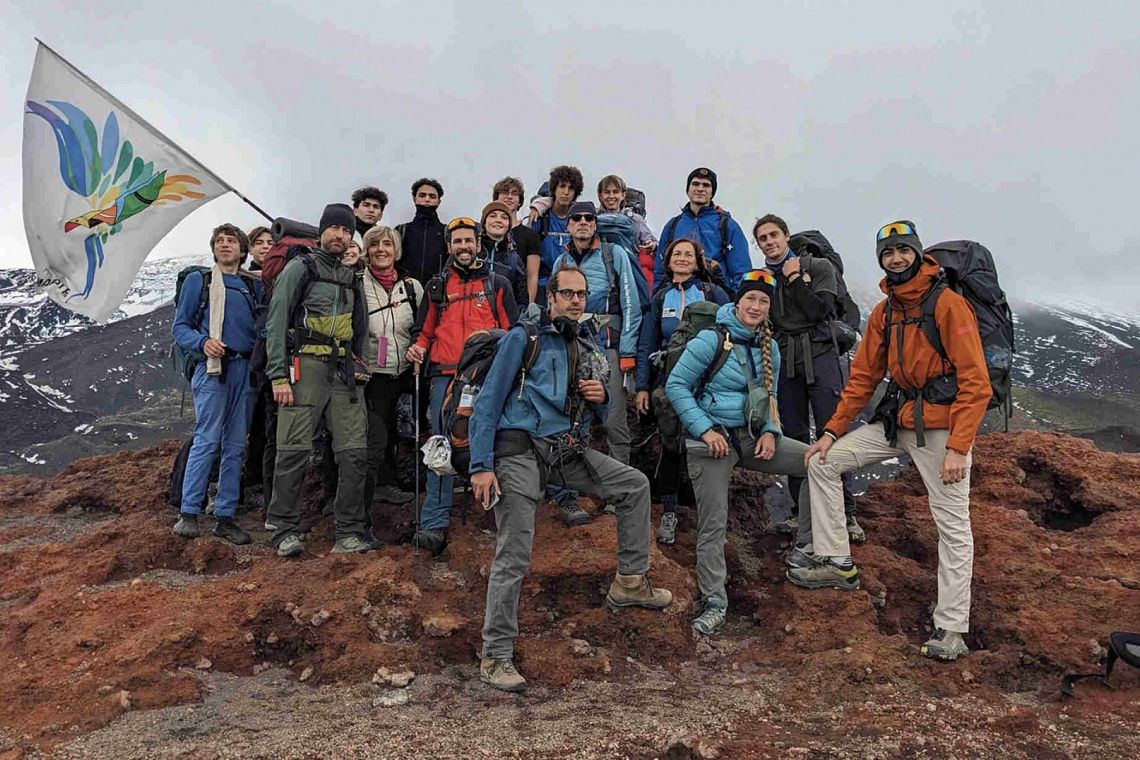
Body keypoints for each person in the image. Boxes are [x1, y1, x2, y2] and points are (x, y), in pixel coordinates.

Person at [788, 221, 991, 663]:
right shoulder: (885, 311)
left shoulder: (948, 305)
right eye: (888, 253)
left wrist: (959, 447)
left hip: (940, 427)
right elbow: (863, 377)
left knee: (953, 526)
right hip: (896, 420)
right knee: (823, 462)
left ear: (917, 254)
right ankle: (836, 561)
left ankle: (951, 627)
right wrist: (831, 432)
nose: (896, 259)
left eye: (903, 250)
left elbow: (976, 382)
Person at [470, 264, 673, 693]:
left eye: (582, 294)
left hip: (565, 450)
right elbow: (487, 403)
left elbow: (601, 416)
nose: (576, 301)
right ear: (551, 297)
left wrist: (600, 401)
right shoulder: (521, 339)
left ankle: (630, 582)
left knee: (633, 485)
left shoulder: (588, 343)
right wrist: (481, 466)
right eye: (567, 293)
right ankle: (495, 654)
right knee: (515, 553)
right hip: (518, 451)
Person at [666, 269, 814, 634]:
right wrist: (704, 429)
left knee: (816, 462)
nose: (756, 305)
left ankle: (809, 550)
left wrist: (770, 430)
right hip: (709, 441)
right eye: (751, 298)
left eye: (763, 301)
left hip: (749, 436)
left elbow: (771, 397)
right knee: (714, 523)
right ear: (738, 301)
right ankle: (715, 602)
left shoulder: (770, 347)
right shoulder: (710, 339)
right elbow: (676, 385)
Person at [406, 217, 519, 555]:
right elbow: (424, 331)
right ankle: (434, 522)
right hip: (444, 374)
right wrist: (418, 347)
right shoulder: (437, 287)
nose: (463, 247)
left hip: (486, 377)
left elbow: (513, 333)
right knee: (440, 447)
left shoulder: (498, 282)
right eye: (457, 242)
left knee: (494, 440)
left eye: (468, 241)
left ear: (478, 243)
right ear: (449, 246)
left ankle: (499, 516)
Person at [264, 203, 372, 557]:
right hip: (304, 367)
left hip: (343, 371)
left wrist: (359, 362)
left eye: (347, 231)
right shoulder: (300, 268)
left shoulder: (350, 276)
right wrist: (278, 375)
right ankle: (282, 527)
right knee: (293, 449)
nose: (340, 236)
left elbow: (360, 327)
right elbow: (277, 322)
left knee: (354, 452)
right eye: (335, 229)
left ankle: (350, 532)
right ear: (322, 231)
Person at [754, 214, 864, 545]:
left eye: (774, 235)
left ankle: (846, 512)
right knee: (794, 433)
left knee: (832, 428)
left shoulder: (817, 267)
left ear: (786, 237)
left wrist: (796, 279)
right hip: (785, 359)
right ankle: (801, 511)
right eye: (763, 238)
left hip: (819, 353)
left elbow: (820, 311)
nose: (770, 241)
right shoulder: (762, 279)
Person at [547, 200, 641, 526]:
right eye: (577, 218)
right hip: (571, 346)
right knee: (565, 417)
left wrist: (628, 352)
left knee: (614, 421)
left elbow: (631, 304)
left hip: (608, 344)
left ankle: (619, 493)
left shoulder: (614, 255)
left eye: (589, 217)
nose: (584, 222)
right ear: (569, 224)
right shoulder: (561, 260)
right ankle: (567, 495)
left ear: (596, 223)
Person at [634, 238, 730, 543]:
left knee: (711, 444)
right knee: (672, 443)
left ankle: (712, 517)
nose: (683, 258)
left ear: (699, 261)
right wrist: (642, 387)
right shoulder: (661, 297)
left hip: (710, 379)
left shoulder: (714, 293)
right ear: (668, 260)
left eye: (689, 254)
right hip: (669, 377)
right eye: (678, 253)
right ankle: (670, 511)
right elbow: (647, 342)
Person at [172, 224, 260, 545]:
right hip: (213, 369)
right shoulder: (201, 281)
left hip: (243, 369)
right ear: (213, 249)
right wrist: (203, 341)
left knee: (236, 445)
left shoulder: (252, 285)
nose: (225, 245)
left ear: (242, 249)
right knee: (207, 440)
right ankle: (188, 513)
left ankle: (225, 515)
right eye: (219, 241)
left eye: (231, 241)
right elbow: (180, 327)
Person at [361, 225, 422, 522]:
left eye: (387, 244)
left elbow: (423, 326)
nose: (381, 250)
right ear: (367, 250)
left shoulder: (411, 287)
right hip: (373, 373)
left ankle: (404, 481)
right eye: (375, 245)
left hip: (407, 370)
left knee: (408, 430)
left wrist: (417, 347)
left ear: (396, 250)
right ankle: (380, 488)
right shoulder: (357, 284)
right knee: (377, 434)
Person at [653, 167, 751, 292]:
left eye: (706, 185)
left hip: (714, 298)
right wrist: (657, 299)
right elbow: (660, 271)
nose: (700, 189)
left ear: (712, 192)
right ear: (688, 190)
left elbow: (741, 271)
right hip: (676, 295)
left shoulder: (727, 225)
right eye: (695, 184)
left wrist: (734, 303)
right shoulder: (673, 225)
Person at [529, 165, 583, 299]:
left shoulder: (581, 220)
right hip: (543, 286)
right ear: (554, 188)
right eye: (562, 186)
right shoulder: (540, 218)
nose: (566, 192)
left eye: (571, 188)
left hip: (571, 288)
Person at [597, 174, 657, 280]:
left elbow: (652, 242)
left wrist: (650, 245)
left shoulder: (635, 220)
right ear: (601, 195)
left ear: (623, 195)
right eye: (607, 192)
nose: (611, 196)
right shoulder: (593, 219)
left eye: (616, 192)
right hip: (601, 271)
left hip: (629, 271)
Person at [491, 176, 542, 303]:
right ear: (496, 198)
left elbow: (532, 276)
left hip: (516, 301)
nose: (509, 197)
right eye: (504, 192)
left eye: (514, 194)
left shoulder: (530, 236)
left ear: (520, 201)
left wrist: (528, 305)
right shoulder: (485, 233)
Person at [396, 178, 448, 285]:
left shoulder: (446, 232)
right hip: (406, 293)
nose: (427, 199)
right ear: (414, 199)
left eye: (432, 196)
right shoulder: (401, 231)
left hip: (436, 294)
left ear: (439, 202)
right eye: (422, 195)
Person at [478, 201, 529, 307]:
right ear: (484, 223)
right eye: (492, 216)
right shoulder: (472, 252)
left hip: (504, 320)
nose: (498, 220)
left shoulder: (514, 259)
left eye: (504, 217)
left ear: (508, 226)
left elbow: (522, 300)